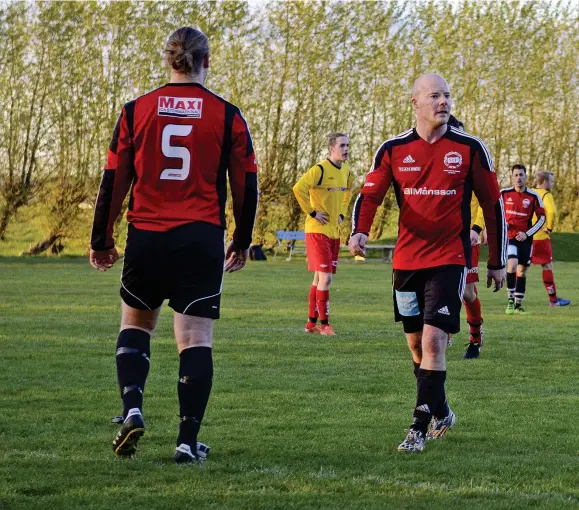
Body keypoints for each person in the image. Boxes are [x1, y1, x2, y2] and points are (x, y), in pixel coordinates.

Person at [89, 27, 259, 464]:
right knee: (195, 338)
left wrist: (102, 239)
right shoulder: (227, 115)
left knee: (137, 324)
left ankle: (131, 408)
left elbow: (114, 180)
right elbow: (245, 184)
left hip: (147, 236)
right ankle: (186, 441)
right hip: (200, 238)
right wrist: (241, 240)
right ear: (207, 60)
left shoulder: (135, 111)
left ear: (170, 60)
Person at [349, 73, 507, 453]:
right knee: (417, 347)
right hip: (406, 262)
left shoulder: (469, 148)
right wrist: (360, 231)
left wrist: (497, 260)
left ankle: (416, 429)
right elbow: (369, 195)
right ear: (415, 103)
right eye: (435, 95)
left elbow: (493, 204)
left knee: (435, 342)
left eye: (448, 95)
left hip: (449, 258)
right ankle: (442, 409)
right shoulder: (393, 149)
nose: (443, 101)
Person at [292, 133, 354, 336]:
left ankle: (311, 324)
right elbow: (298, 188)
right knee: (326, 279)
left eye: (348, 145)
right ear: (331, 148)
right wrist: (312, 212)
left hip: (333, 231)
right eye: (342, 145)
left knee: (319, 278)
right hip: (317, 230)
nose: (346, 149)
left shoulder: (346, 170)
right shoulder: (319, 169)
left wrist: (343, 213)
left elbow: (349, 193)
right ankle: (325, 325)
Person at [447, 115, 486, 359]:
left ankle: (475, 338)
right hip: (442, 237)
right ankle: (444, 333)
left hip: (468, 237)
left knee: (467, 293)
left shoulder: (474, 161)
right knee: (439, 288)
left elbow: (487, 200)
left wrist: (477, 228)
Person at [502, 165, 545, 315]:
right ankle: (510, 302)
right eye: (516, 175)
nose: (519, 177)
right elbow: (494, 212)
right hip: (510, 237)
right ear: (512, 177)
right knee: (512, 265)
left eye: (521, 175)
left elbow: (542, 219)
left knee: (522, 271)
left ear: (526, 177)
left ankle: (519, 304)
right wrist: (502, 225)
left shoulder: (533, 196)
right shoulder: (504, 194)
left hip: (525, 239)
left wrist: (527, 234)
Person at [531, 171, 571, 307]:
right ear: (545, 182)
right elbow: (552, 211)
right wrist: (549, 227)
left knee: (520, 268)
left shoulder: (530, 192)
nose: (553, 184)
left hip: (527, 236)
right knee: (547, 266)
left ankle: (513, 300)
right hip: (541, 236)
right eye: (552, 182)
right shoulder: (546, 195)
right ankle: (553, 300)